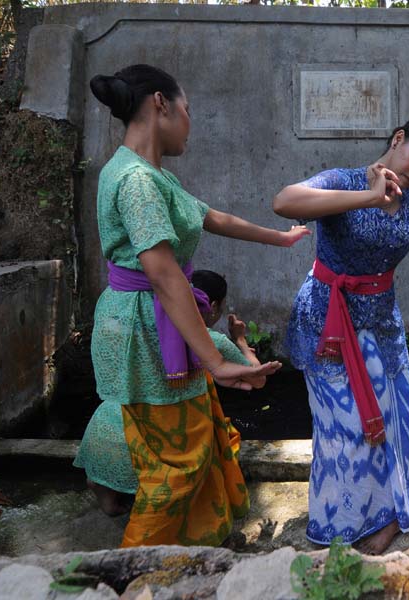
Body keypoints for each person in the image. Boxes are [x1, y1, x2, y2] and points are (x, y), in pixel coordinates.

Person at [77, 64, 308, 547]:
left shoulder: (152, 175)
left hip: (151, 324)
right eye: (187, 110)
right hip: (145, 329)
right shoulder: (137, 181)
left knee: (195, 440)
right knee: (175, 465)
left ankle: (188, 552)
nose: (190, 122)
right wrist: (217, 362)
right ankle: (130, 573)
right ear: (161, 103)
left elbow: (211, 217)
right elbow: (163, 274)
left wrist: (280, 239)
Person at [273, 115, 409, 554]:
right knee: (345, 428)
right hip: (328, 321)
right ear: (399, 140)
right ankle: (342, 521)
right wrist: (367, 197)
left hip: (381, 323)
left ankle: (389, 515)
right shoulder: (345, 180)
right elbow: (284, 202)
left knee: (393, 420)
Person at [75, 268, 264, 513]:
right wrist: (240, 340)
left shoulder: (137, 323)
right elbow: (257, 376)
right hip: (147, 446)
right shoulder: (209, 340)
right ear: (214, 306)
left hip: (100, 436)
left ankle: (109, 499)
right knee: (209, 442)